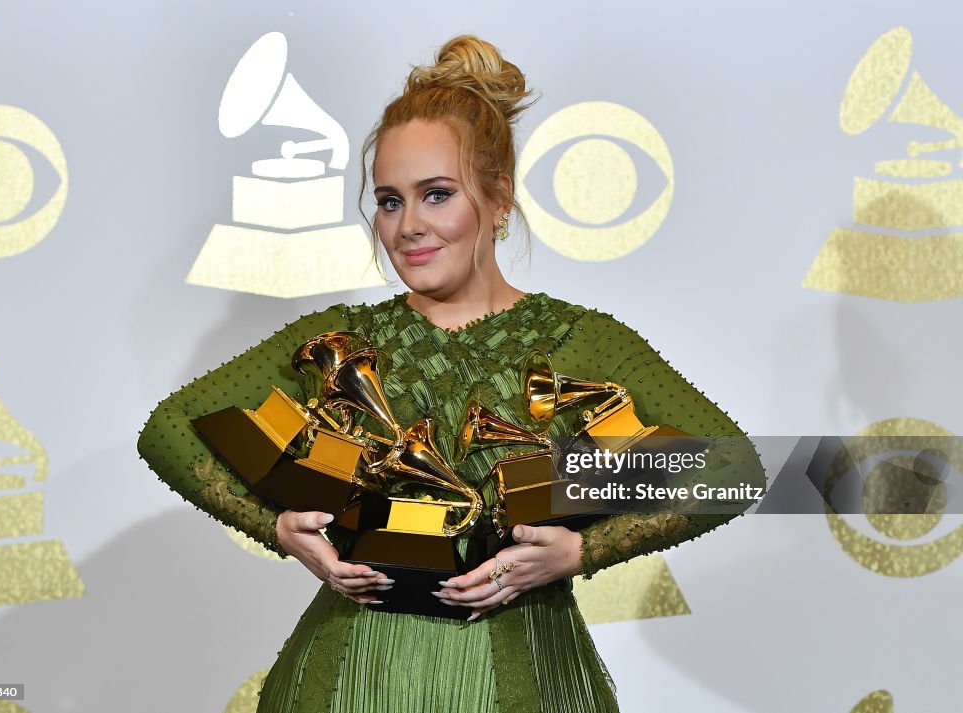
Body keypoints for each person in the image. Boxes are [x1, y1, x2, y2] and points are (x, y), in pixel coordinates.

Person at [137, 35, 765, 713]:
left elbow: (731, 467)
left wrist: (578, 553)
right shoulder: (344, 340)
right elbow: (168, 429)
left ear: (498, 200)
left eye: (436, 194)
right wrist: (280, 526)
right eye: (389, 201)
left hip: (524, 681)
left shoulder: (582, 343)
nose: (408, 226)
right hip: (347, 682)